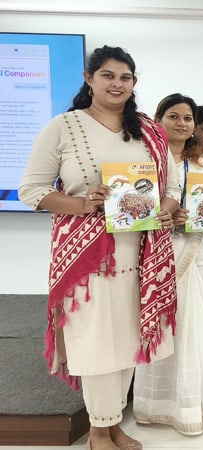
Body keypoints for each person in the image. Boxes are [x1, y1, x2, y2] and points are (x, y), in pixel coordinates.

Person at [19, 45, 179, 450]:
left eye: (125, 77)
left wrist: (166, 209)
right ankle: (98, 431)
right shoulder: (64, 127)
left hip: (142, 254)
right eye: (108, 75)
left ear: (134, 83)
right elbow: (31, 190)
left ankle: (113, 425)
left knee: (129, 339)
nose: (117, 84)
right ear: (89, 79)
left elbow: (173, 188)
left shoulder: (149, 130)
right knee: (96, 341)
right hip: (87, 257)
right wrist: (82, 203)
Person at [134, 94, 203, 434]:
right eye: (173, 116)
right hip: (159, 252)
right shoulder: (143, 163)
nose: (181, 123)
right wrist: (165, 216)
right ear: (158, 120)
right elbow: (131, 208)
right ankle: (159, 402)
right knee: (165, 321)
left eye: (188, 118)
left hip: (202, 252)